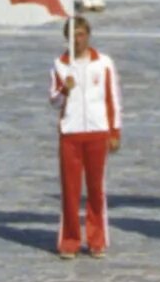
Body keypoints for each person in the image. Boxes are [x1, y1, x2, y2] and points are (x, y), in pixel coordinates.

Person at [49, 16, 121, 258]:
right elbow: (54, 100)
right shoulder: (59, 64)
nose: (77, 40)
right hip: (71, 133)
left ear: (88, 35)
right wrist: (64, 90)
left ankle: (96, 239)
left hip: (97, 131)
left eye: (80, 34)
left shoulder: (103, 63)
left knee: (95, 188)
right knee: (70, 190)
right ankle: (69, 240)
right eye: (72, 36)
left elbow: (113, 98)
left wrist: (114, 131)